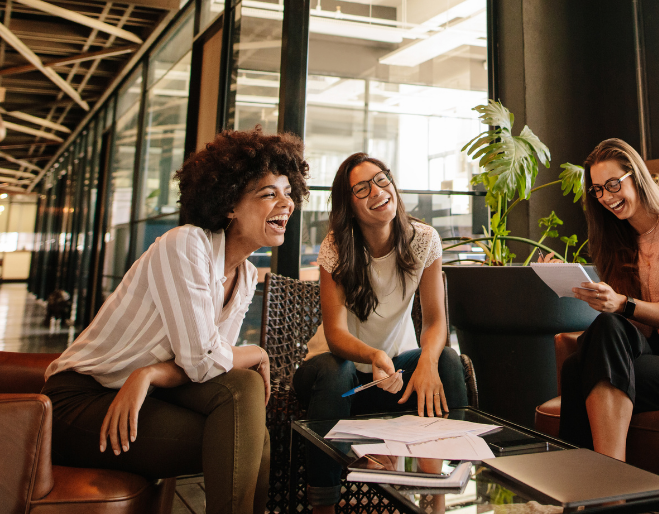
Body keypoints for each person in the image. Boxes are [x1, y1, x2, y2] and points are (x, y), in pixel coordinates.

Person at [42, 129, 310, 514]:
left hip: (147, 392)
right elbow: (205, 361)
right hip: (80, 402)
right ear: (230, 204)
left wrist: (149, 374)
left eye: (288, 192)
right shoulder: (185, 244)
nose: (286, 202)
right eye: (269, 193)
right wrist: (257, 352)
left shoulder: (247, 275)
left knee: (244, 394)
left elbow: (209, 368)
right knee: (245, 436)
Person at [292, 152, 468, 514]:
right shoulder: (337, 247)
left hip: (389, 379)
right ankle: (323, 505)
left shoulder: (424, 240)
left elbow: (435, 321)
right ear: (349, 206)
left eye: (381, 179)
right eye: (362, 188)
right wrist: (373, 354)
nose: (377, 191)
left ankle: (435, 495)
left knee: (446, 362)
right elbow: (335, 334)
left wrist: (427, 362)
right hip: (336, 383)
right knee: (336, 369)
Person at [551, 138, 659, 461]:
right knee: (584, 357)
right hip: (652, 352)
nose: (606, 197)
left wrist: (621, 303)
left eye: (613, 184)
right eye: (598, 190)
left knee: (587, 361)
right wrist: (582, 287)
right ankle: (579, 481)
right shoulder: (617, 239)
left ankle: (610, 475)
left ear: (636, 176)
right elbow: (634, 328)